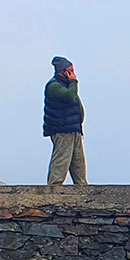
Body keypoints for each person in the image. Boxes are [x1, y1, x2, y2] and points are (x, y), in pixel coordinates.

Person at [44, 56, 87, 185]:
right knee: (62, 158)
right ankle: (54, 187)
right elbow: (69, 97)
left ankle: (82, 186)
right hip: (62, 129)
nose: (73, 74)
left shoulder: (66, 85)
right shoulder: (54, 86)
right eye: (70, 71)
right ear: (63, 72)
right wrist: (74, 82)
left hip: (73, 129)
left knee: (78, 161)